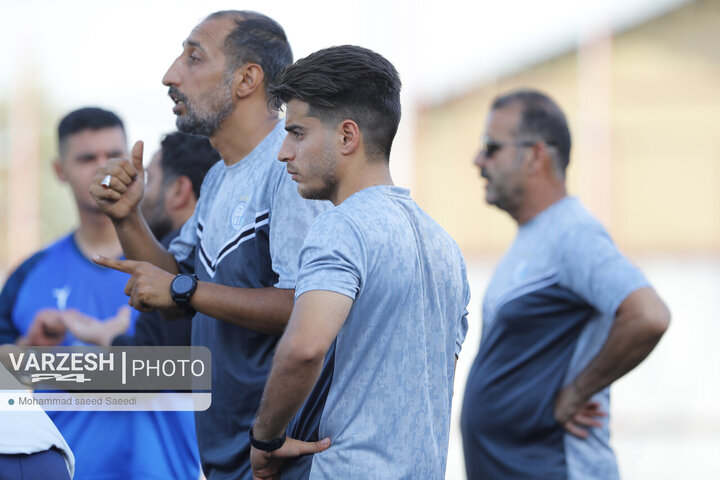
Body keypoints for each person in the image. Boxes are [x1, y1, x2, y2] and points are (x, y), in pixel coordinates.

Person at [88, 11, 329, 479]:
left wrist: (185, 290)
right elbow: (174, 296)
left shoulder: (291, 168)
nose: (170, 75)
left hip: (280, 462)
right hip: (229, 460)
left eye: (193, 57)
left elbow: (307, 307)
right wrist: (127, 215)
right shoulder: (219, 178)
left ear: (247, 79)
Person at [248, 45, 471, 479]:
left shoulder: (340, 229)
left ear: (348, 136)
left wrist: (265, 439)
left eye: (296, 133)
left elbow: (304, 348)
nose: (283, 153)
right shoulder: (445, 247)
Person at [461, 89, 671, 479]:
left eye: (491, 147)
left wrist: (576, 392)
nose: (478, 160)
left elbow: (649, 315)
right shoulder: (534, 238)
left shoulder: (573, 235)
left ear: (536, 155)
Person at [0, 107, 200, 479]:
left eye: (113, 155)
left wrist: (61, 359)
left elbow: (184, 369)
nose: (103, 167)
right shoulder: (28, 275)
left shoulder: (176, 269)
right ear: (60, 171)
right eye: (87, 158)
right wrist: (28, 346)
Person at [63, 132, 220, 347]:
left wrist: (110, 339)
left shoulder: (177, 252)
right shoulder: (220, 250)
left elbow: (159, 367)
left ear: (179, 190)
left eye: (151, 179)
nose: (142, 193)